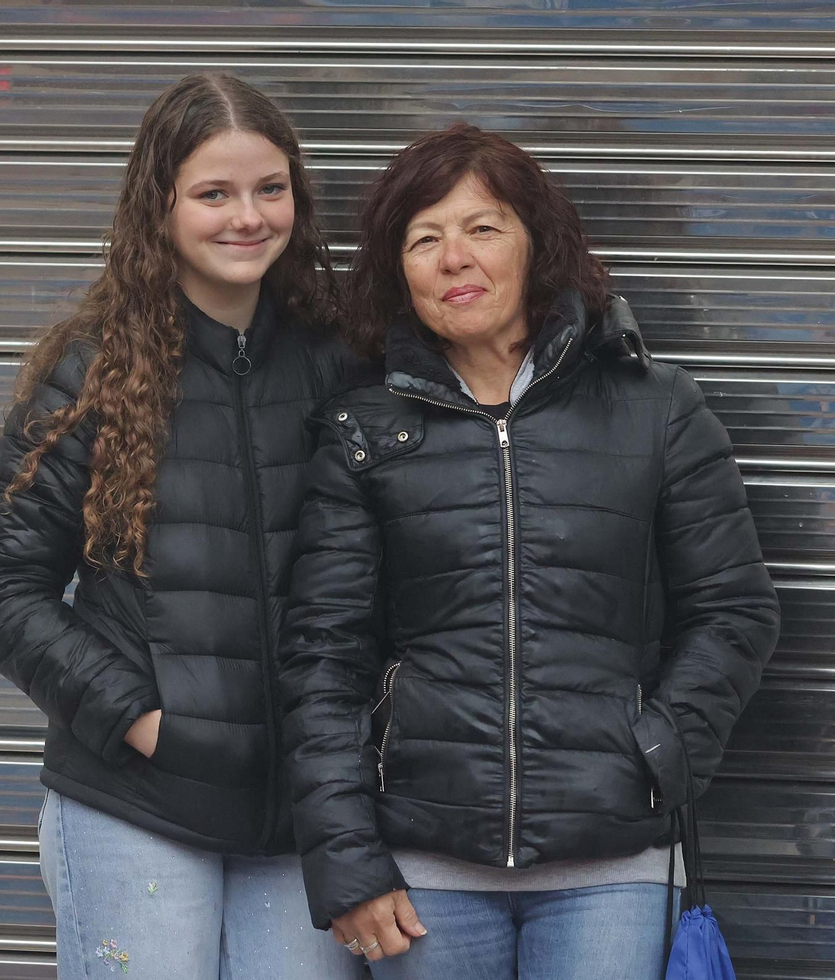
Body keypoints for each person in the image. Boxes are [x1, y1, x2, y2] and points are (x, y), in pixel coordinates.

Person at [278, 123, 781, 979]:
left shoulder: (654, 407)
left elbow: (734, 610)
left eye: (483, 228)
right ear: (398, 270)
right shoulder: (364, 433)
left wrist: (658, 751)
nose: (453, 258)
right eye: (424, 238)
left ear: (535, 244)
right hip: (425, 875)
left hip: (610, 869)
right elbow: (323, 657)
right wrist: (347, 858)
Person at [0, 74, 363, 980]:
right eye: (214, 194)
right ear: (162, 205)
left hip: (299, 816)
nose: (248, 217)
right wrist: (141, 719)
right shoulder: (92, 370)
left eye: (270, 188)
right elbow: (2, 589)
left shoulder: (339, 361)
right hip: (135, 804)